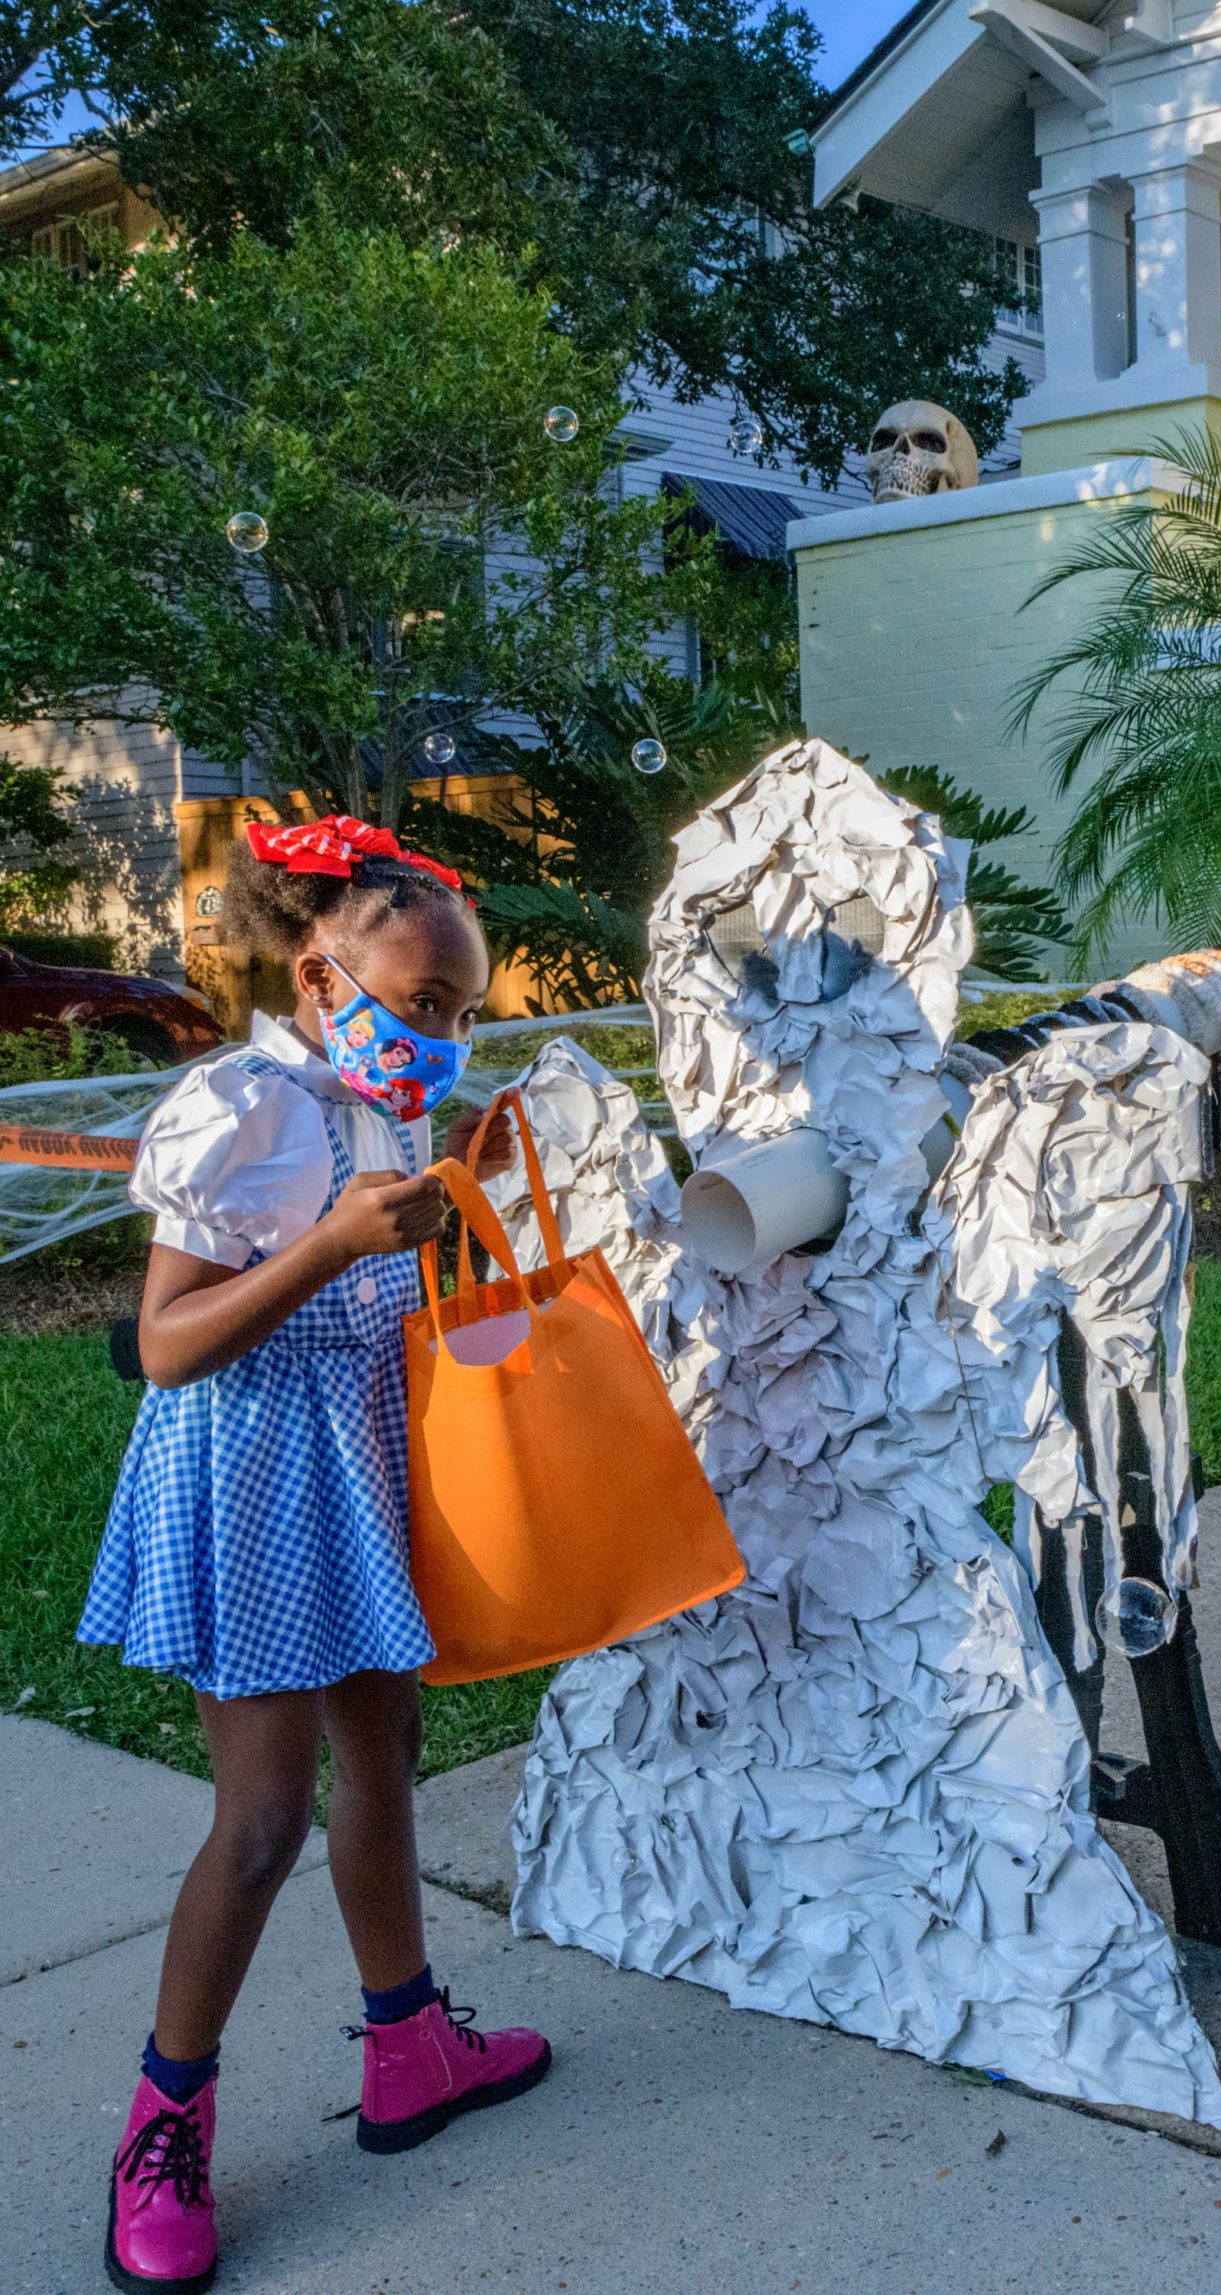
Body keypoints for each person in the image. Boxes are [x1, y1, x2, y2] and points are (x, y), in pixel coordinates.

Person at [78, 817, 548, 2293]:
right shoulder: (236, 1102)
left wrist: (451, 1175)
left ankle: (410, 2040)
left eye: (464, 1012)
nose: (444, 1035)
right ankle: (165, 2121)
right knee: (265, 1814)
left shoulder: (381, 1098)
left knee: (388, 1752)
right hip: (256, 1471)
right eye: (421, 1005)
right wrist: (335, 1244)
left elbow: (400, 1257)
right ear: (318, 968)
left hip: (360, 1459)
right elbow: (163, 1347)